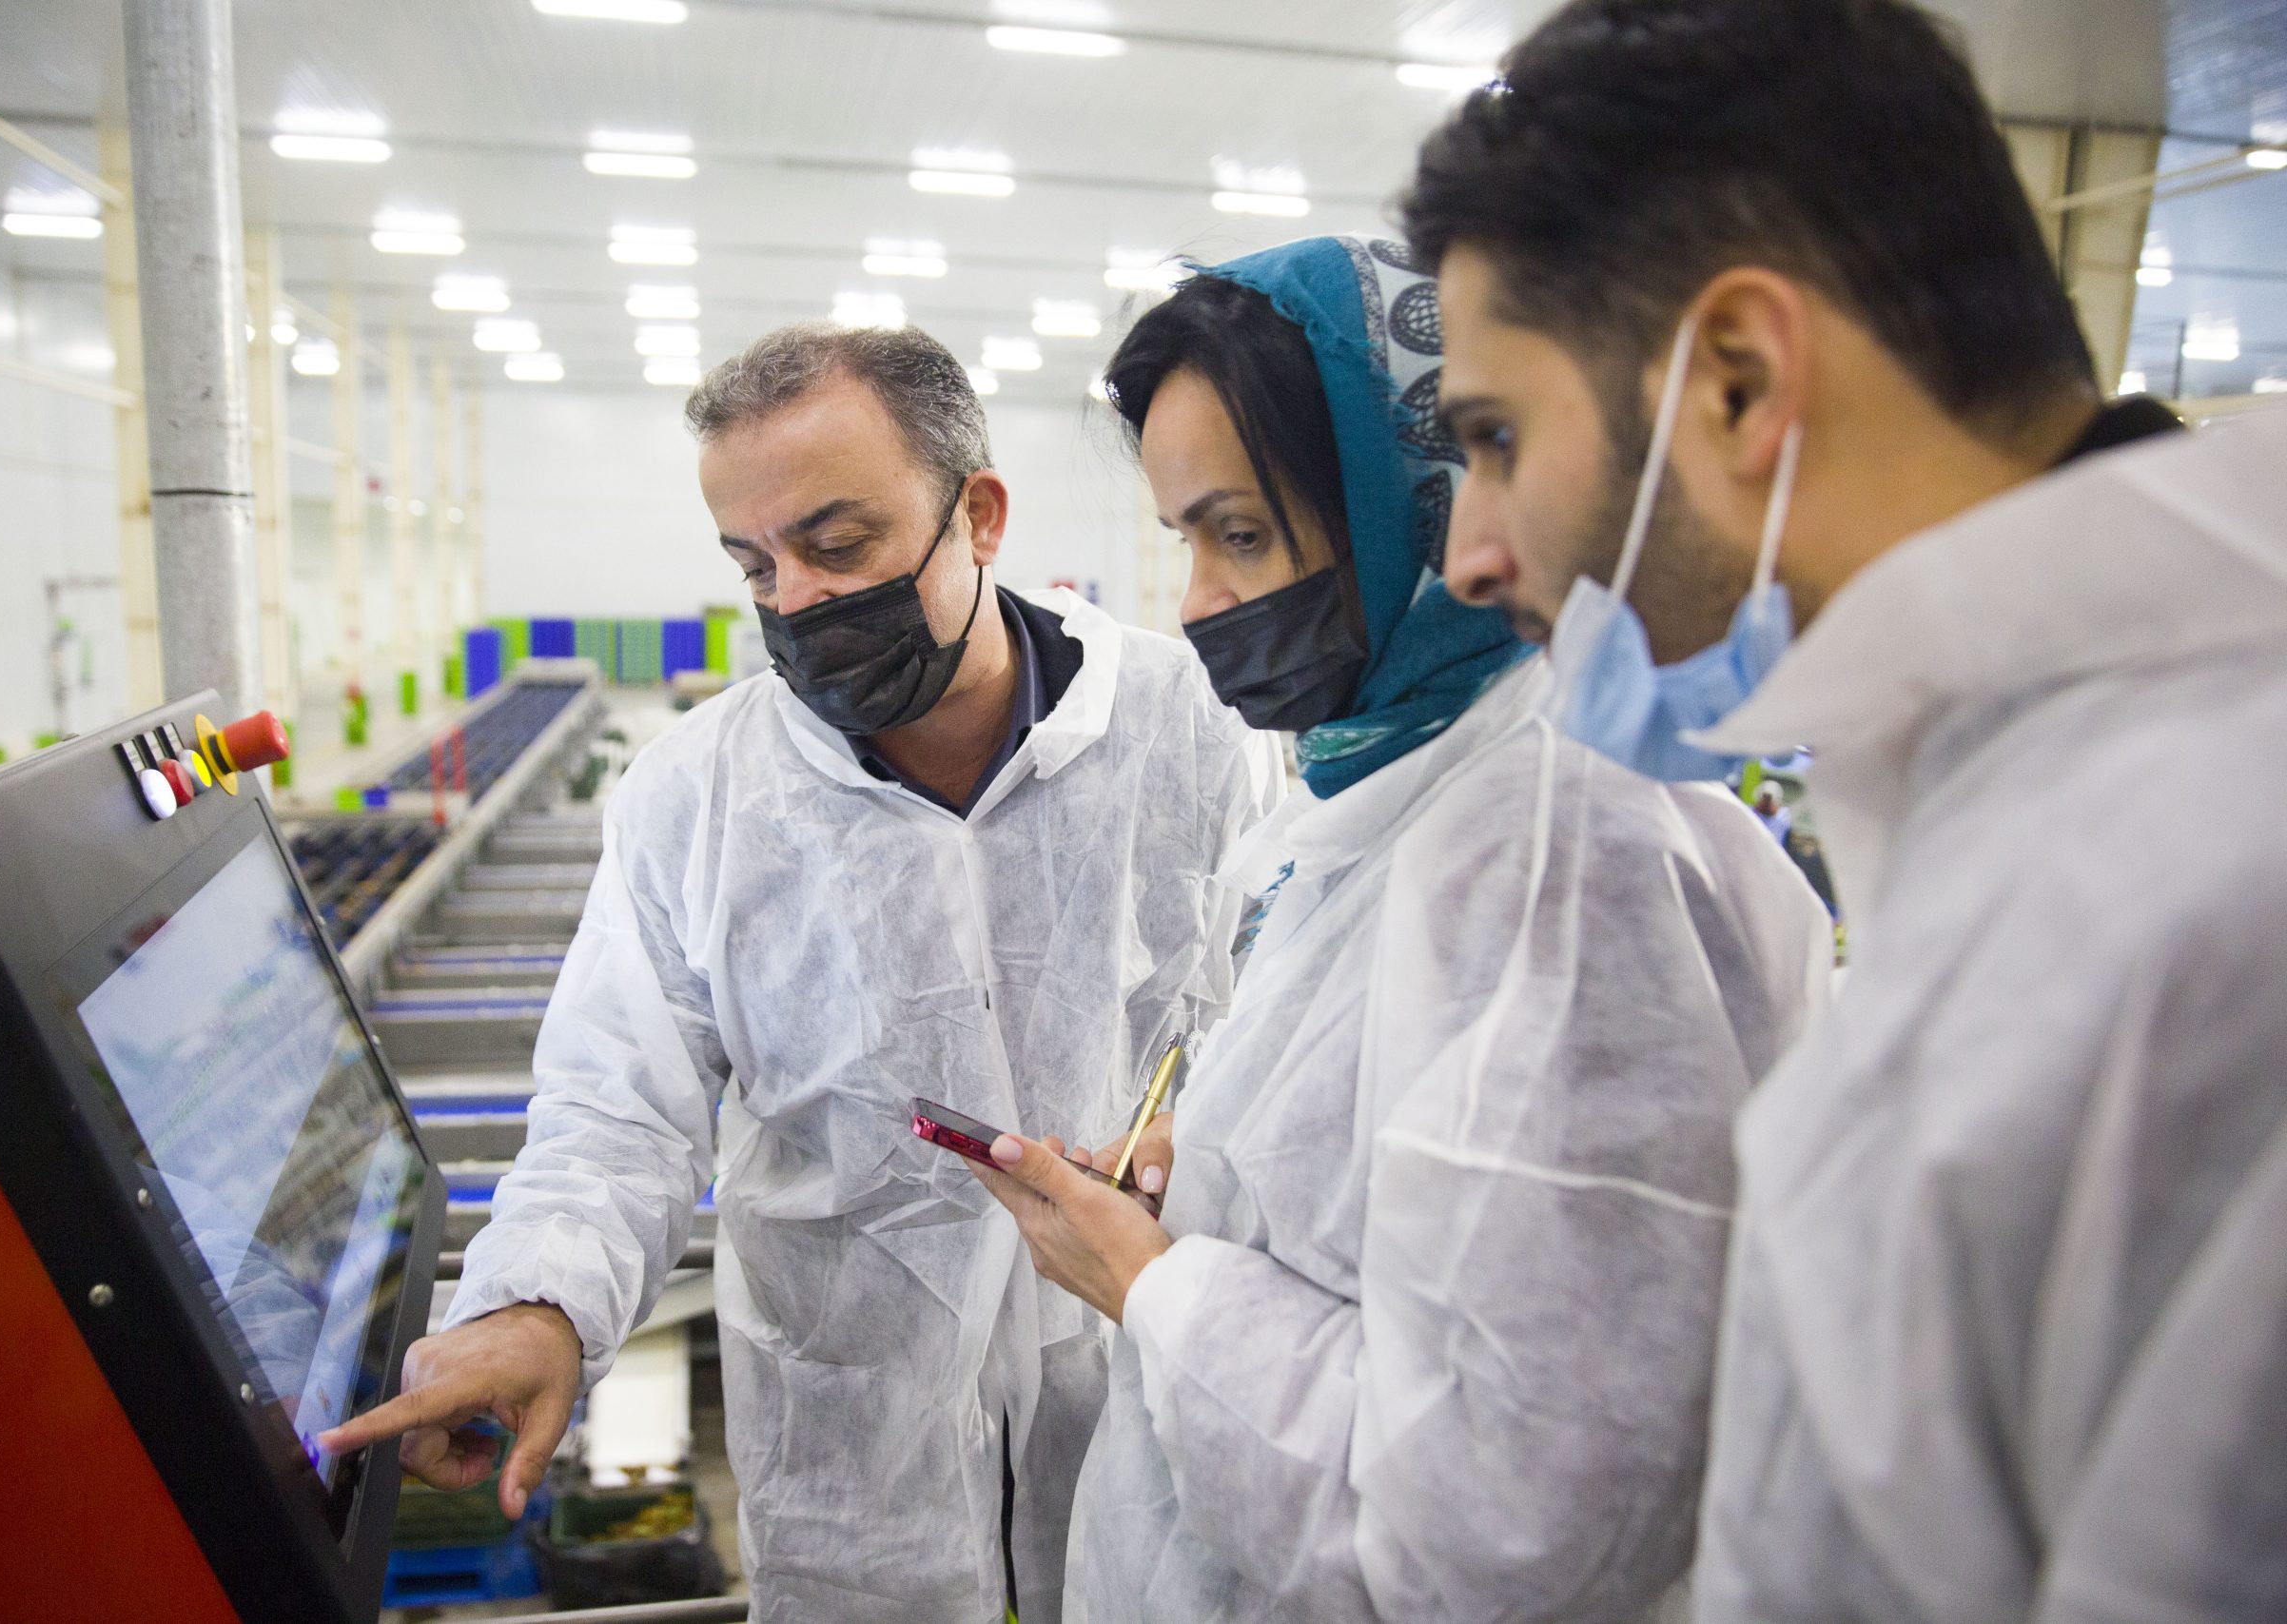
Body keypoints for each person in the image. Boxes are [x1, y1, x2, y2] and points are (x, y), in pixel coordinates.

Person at [1402, 1, 2287, 1617]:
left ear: (1739, 383)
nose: (1472, 554)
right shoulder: (2040, 812)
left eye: (1499, 439)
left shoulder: (2192, 914)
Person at [323, 323, 1280, 1624]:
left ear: (979, 515)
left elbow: (1287, 1002)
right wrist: (536, 1303)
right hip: (860, 1452)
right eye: (753, 564)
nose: (796, 601)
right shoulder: (698, 796)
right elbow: (617, 1109)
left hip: (1150, 1397)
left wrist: (1198, 1130)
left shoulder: (1196, 731)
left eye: (839, 545)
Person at [964, 235, 1832, 1623]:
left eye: (1243, 535)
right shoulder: (1380, 804)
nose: (1196, 604)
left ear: (1414, 506)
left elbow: (1512, 1524)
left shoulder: (1558, 871)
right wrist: (1213, 1166)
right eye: (1186, 539)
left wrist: (1153, 1286)